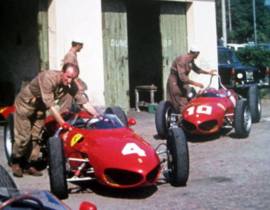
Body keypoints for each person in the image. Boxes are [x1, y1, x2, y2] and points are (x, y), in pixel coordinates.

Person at [11, 63, 101, 178]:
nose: (69, 81)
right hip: (26, 105)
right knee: (23, 138)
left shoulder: (70, 83)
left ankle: (28, 164)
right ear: (61, 73)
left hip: (40, 108)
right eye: (68, 77)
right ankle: (16, 161)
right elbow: (51, 107)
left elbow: (83, 102)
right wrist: (63, 124)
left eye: (72, 78)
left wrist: (98, 116)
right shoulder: (48, 78)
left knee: (35, 137)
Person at [166, 45, 216, 114]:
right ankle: (175, 118)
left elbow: (196, 68)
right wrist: (195, 83)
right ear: (196, 53)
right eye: (198, 53)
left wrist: (208, 73)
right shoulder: (183, 60)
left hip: (182, 82)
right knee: (176, 102)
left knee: (184, 101)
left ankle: (183, 118)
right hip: (175, 81)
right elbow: (182, 77)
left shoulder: (190, 60)